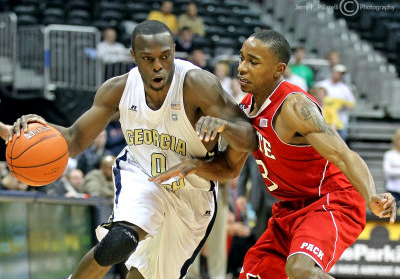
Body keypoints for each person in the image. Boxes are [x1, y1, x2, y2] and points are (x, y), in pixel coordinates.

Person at [6, 20, 256, 279]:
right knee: (119, 240)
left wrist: (224, 126)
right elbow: (74, 139)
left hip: (192, 191)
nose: (158, 66)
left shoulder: (198, 85)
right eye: (148, 59)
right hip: (142, 173)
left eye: (165, 57)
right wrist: (27, 129)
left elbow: (249, 139)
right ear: (133, 57)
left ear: (173, 51)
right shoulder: (119, 89)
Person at [150, 30, 397, 279]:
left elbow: (344, 155)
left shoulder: (294, 107)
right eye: (242, 58)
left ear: (278, 69)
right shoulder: (245, 109)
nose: (242, 68)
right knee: (253, 275)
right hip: (288, 209)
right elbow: (230, 168)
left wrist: (371, 195)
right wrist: (192, 165)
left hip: (331, 200)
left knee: (300, 269)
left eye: (253, 62)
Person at [314, 64, 355, 141]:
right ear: (333, 72)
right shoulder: (321, 85)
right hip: (320, 122)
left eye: (342, 74)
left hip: (340, 122)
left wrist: (341, 105)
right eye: (338, 72)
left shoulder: (345, 89)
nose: (340, 75)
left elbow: (352, 105)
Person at [383, 129, 400, 205]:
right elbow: (388, 172)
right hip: (392, 190)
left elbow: (392, 171)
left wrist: (395, 167)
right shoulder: (389, 155)